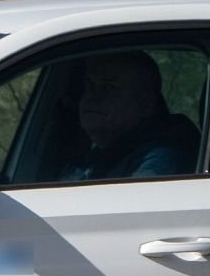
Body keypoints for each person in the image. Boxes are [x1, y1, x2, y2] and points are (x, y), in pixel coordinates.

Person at [59, 50, 199, 181]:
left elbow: (135, 202)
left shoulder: (162, 157)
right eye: (89, 86)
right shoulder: (95, 156)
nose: (91, 96)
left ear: (146, 104)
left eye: (108, 88)